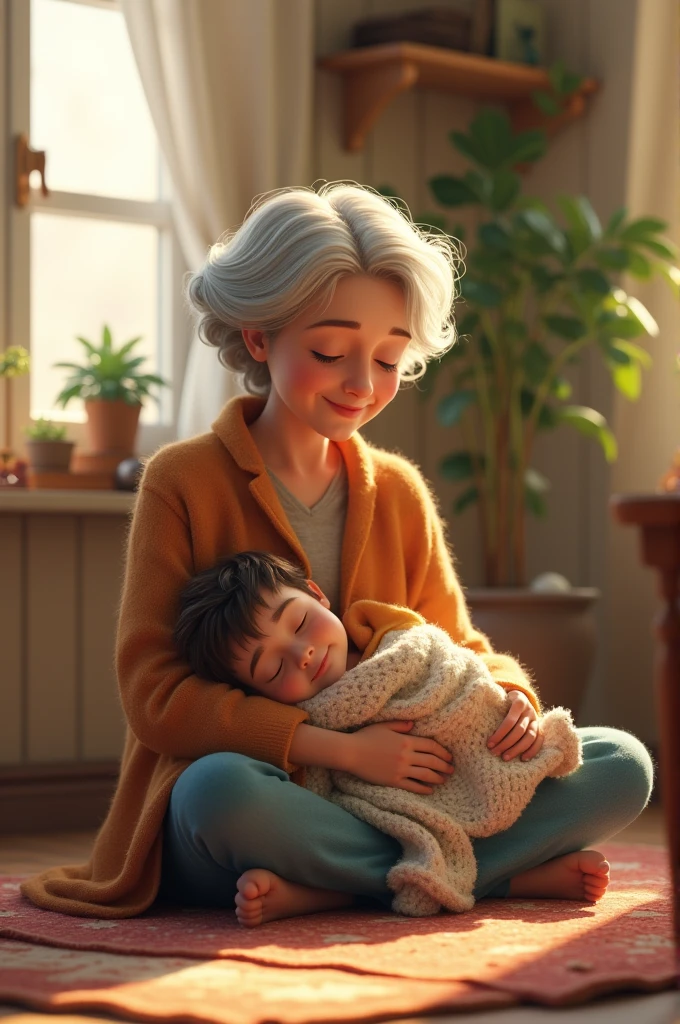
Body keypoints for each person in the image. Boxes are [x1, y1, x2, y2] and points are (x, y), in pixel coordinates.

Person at [19, 182, 653, 930]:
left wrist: (512, 696)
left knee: (620, 762)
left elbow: (462, 645)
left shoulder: (399, 491)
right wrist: (339, 751)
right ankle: (485, 876)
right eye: (330, 351)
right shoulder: (181, 480)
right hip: (266, 800)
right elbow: (154, 694)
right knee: (214, 794)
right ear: (259, 337)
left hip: (420, 798)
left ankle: (353, 883)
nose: (362, 385)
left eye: (388, 359)